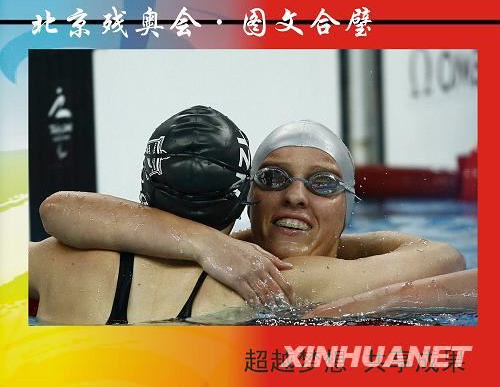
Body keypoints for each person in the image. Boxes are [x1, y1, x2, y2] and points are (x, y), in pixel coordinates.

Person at [37, 116, 471, 322]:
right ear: (246, 198)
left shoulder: (59, 261)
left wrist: (221, 243)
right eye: (274, 178)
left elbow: (56, 209)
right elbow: (446, 261)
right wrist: (212, 243)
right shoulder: (288, 281)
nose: (295, 196)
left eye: (323, 184)